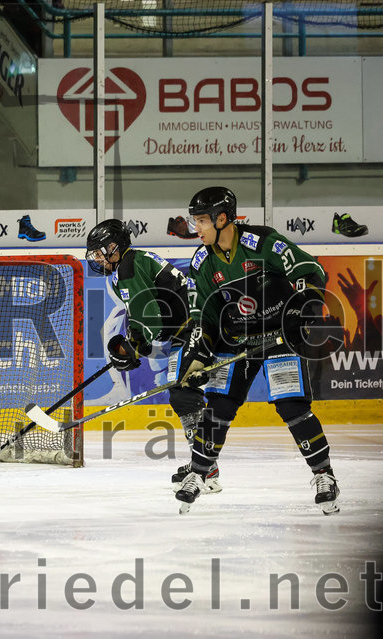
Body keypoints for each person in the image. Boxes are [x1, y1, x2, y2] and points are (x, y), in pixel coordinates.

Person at [175, 186, 341, 515]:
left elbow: (310, 271)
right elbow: (204, 318)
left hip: (280, 337)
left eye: (202, 221)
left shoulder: (263, 243)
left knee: (292, 406)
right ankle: (199, 473)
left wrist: (301, 311)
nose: (197, 228)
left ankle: (325, 476)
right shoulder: (203, 262)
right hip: (236, 340)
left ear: (222, 218)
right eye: (195, 221)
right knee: (218, 406)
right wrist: (197, 359)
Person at [85, 220, 218, 492]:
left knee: (183, 393)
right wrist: (136, 344)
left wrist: (134, 346)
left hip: (196, 324)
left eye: (101, 251)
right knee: (184, 394)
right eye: (95, 254)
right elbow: (146, 314)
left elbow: (150, 322)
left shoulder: (128, 267)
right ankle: (204, 464)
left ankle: (205, 468)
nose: (98, 258)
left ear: (116, 246)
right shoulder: (132, 262)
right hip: (188, 327)